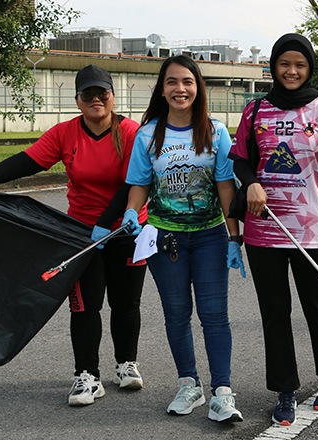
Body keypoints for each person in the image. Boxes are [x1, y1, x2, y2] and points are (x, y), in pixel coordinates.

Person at [0, 65, 148, 406]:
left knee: (126, 302)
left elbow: (134, 182)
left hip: (126, 229)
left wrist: (109, 220)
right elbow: (26, 161)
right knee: (85, 306)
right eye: (88, 94)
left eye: (102, 92)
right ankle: (86, 375)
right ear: (77, 100)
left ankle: (125, 364)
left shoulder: (132, 133)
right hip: (81, 235)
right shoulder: (65, 134)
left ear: (113, 96)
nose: (96, 99)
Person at [228, 33, 318, 426]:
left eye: (300, 65)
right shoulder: (255, 109)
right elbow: (239, 160)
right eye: (284, 64)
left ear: (309, 69)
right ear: (274, 67)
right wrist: (250, 182)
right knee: (274, 312)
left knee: (317, 307)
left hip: (313, 231)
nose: (291, 71)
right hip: (264, 231)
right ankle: (285, 389)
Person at [121, 55, 244, 423]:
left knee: (214, 315)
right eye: (172, 82)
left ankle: (222, 391)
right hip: (164, 239)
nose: (180, 89)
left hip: (209, 237)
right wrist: (131, 211)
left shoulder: (216, 132)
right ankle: (189, 384)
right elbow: (140, 184)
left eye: (187, 82)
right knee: (176, 316)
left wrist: (233, 237)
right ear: (162, 89)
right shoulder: (147, 135)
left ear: (198, 88)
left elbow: (225, 185)